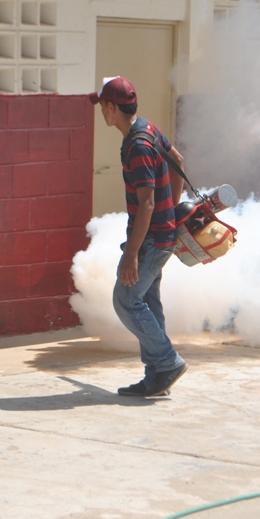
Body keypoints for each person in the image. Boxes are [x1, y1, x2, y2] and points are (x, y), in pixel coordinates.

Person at [90, 76, 188, 397]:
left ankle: (167, 361)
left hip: (150, 241)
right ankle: (157, 376)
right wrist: (171, 210)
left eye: (102, 106)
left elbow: (146, 203)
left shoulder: (137, 146)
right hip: (161, 234)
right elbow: (179, 162)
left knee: (126, 300)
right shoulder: (148, 129)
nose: (101, 112)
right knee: (147, 300)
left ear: (111, 107)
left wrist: (131, 254)